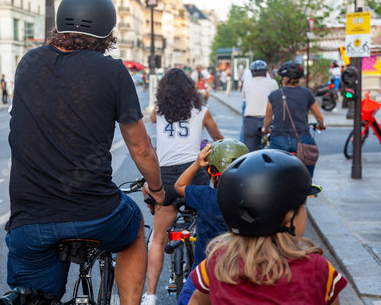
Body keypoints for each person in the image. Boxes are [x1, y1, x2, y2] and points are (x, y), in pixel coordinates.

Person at [5, 0, 164, 305]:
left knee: (35, 299)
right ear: (107, 32)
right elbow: (141, 148)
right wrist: (157, 190)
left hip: (28, 219)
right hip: (95, 211)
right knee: (132, 226)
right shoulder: (112, 71)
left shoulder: (28, 63)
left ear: (59, 25)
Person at [189, 149, 348, 304]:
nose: (304, 210)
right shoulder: (317, 270)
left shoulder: (216, 265)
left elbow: (197, 299)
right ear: (287, 218)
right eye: (302, 205)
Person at [142, 68, 223, 305]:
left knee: (158, 238)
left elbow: (155, 120)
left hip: (165, 179)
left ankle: (150, 296)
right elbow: (218, 140)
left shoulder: (159, 112)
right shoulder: (202, 112)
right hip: (193, 176)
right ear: (191, 90)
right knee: (208, 225)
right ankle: (208, 279)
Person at [174, 139, 249, 305]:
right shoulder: (250, 199)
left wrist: (196, 164)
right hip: (241, 273)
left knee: (185, 300)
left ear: (212, 173)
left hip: (204, 273)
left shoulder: (205, 196)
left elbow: (180, 185)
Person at [262, 61, 326, 177]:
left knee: (269, 166)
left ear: (285, 78)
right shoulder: (307, 93)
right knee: (310, 160)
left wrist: (265, 129)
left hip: (278, 140)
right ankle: (308, 184)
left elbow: (267, 120)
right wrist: (321, 125)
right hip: (303, 139)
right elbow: (319, 116)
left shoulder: (274, 95)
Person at [241, 60, 279, 151]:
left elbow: (244, 97)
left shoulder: (247, 82)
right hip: (269, 120)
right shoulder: (273, 83)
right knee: (273, 150)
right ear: (266, 72)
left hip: (251, 121)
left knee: (249, 152)